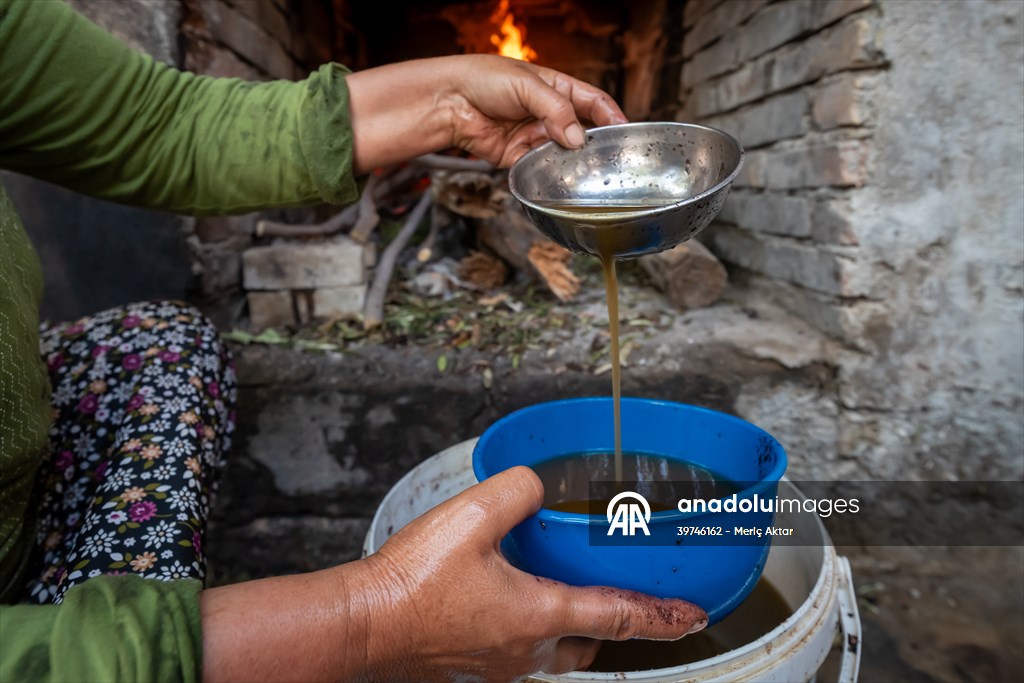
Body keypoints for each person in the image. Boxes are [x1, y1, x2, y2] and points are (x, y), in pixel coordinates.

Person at [0, 1, 708, 680]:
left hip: (29, 472)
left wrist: (450, 98)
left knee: (165, 344)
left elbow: (158, 124)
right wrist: (365, 623)